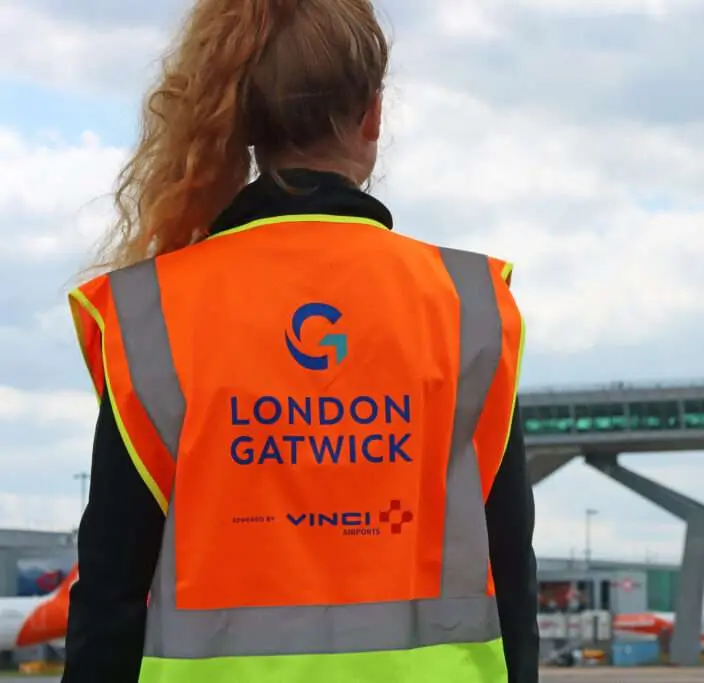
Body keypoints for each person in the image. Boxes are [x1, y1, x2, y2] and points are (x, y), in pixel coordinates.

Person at [60, 0, 538, 681]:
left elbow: (110, 597)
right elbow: (510, 572)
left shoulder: (152, 312)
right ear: (373, 114)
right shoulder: (467, 305)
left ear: (247, 118)